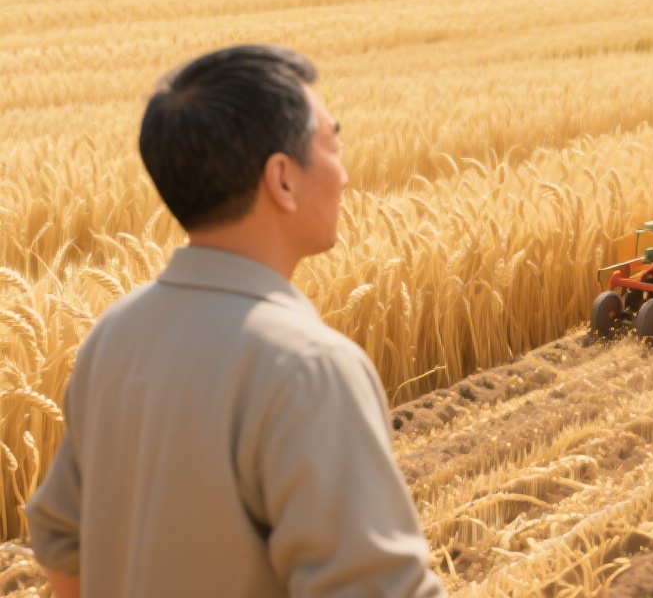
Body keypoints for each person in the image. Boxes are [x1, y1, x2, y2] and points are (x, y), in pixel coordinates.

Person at [26, 46, 444, 598]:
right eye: (331, 145)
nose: (343, 175)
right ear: (283, 179)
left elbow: (62, 543)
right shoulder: (307, 368)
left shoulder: (112, 336)